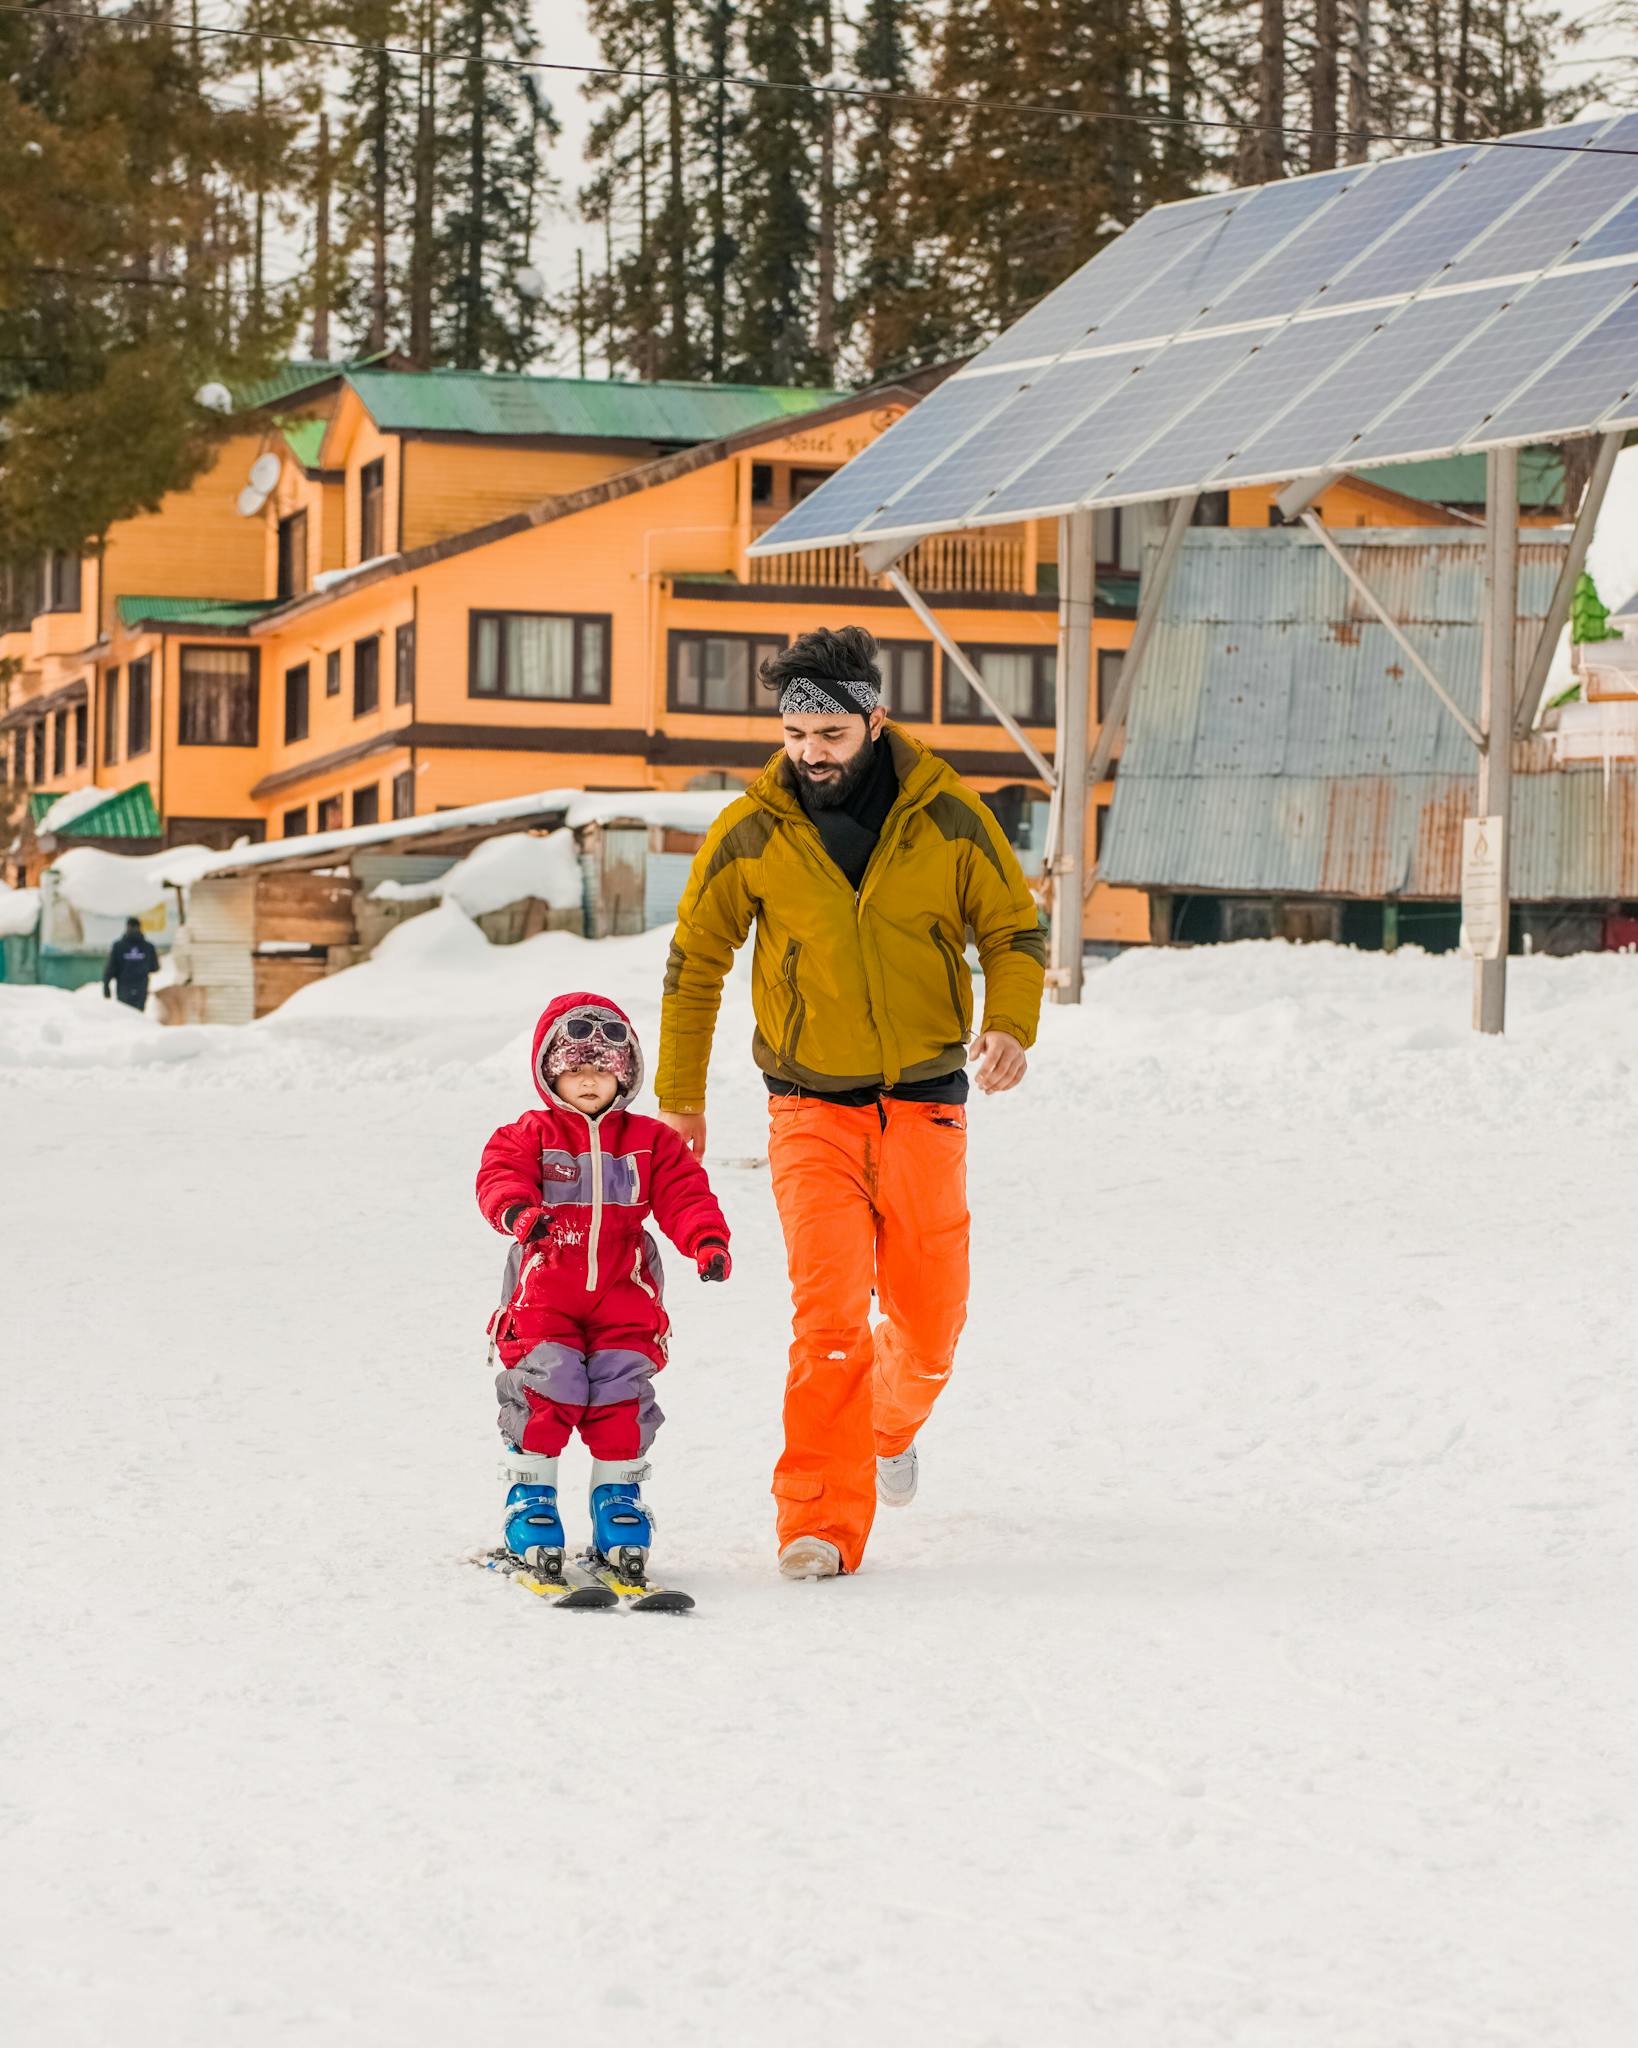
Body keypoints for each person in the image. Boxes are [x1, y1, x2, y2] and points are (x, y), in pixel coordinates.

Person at [656, 625, 1046, 1581]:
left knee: (928, 1324)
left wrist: (1010, 1026)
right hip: (806, 1109)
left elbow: (1013, 931)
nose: (810, 755)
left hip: (925, 1104)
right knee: (828, 1321)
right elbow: (694, 961)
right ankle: (817, 1523)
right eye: (796, 737)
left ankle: (885, 1426)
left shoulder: (949, 815)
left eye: (828, 734)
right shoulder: (751, 830)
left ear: (874, 720)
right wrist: (679, 1097)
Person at [476, 990, 730, 1578]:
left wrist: (706, 1241)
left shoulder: (650, 1141)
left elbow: (685, 1193)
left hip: (625, 1293)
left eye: (602, 1069)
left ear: (625, 1074)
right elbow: (498, 1177)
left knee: (621, 1396)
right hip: (545, 1292)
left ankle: (619, 1507)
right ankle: (531, 1504)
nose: (589, 1081)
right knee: (549, 1387)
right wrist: (518, 1213)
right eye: (574, 1069)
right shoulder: (529, 1135)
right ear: (549, 1073)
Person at [102, 917, 159, 1011]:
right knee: (139, 1016)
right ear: (140, 928)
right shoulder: (148, 947)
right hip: (141, 988)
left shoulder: (118, 946)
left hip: (123, 988)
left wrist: (106, 988)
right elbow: (155, 967)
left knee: (124, 1016)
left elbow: (110, 969)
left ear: (127, 927)